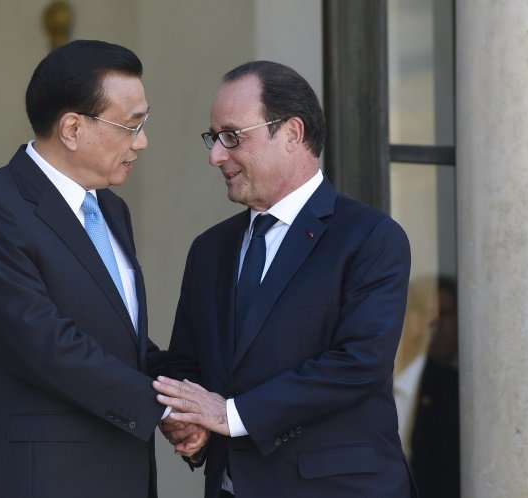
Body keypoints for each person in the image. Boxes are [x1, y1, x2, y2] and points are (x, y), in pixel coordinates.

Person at [0, 40, 204, 498]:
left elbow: (119, 339)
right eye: (131, 125)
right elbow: (42, 341)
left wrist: (195, 396)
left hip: (124, 472)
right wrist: (165, 410)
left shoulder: (111, 209)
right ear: (71, 127)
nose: (142, 141)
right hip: (45, 478)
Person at [153, 61, 416, 497]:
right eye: (213, 138)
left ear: (292, 134)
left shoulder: (370, 237)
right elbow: (189, 363)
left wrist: (230, 415)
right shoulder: (209, 249)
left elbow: (358, 365)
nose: (216, 155)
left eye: (232, 137)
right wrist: (187, 419)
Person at [409, 276, 460, 498]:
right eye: (423, 313)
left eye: (445, 313)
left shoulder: (462, 387)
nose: (434, 323)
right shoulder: (391, 381)